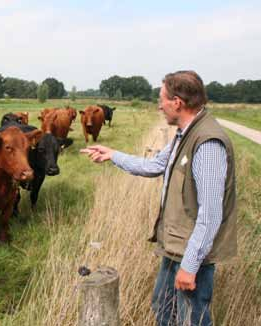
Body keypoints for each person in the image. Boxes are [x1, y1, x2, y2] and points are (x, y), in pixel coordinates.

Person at [80, 70, 236, 326]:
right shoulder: (184, 134)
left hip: (190, 253)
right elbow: (154, 166)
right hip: (176, 247)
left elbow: (210, 213)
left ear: (178, 102)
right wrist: (112, 154)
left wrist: (190, 266)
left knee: (190, 320)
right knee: (164, 310)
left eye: (162, 98)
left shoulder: (207, 143)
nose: (158, 105)